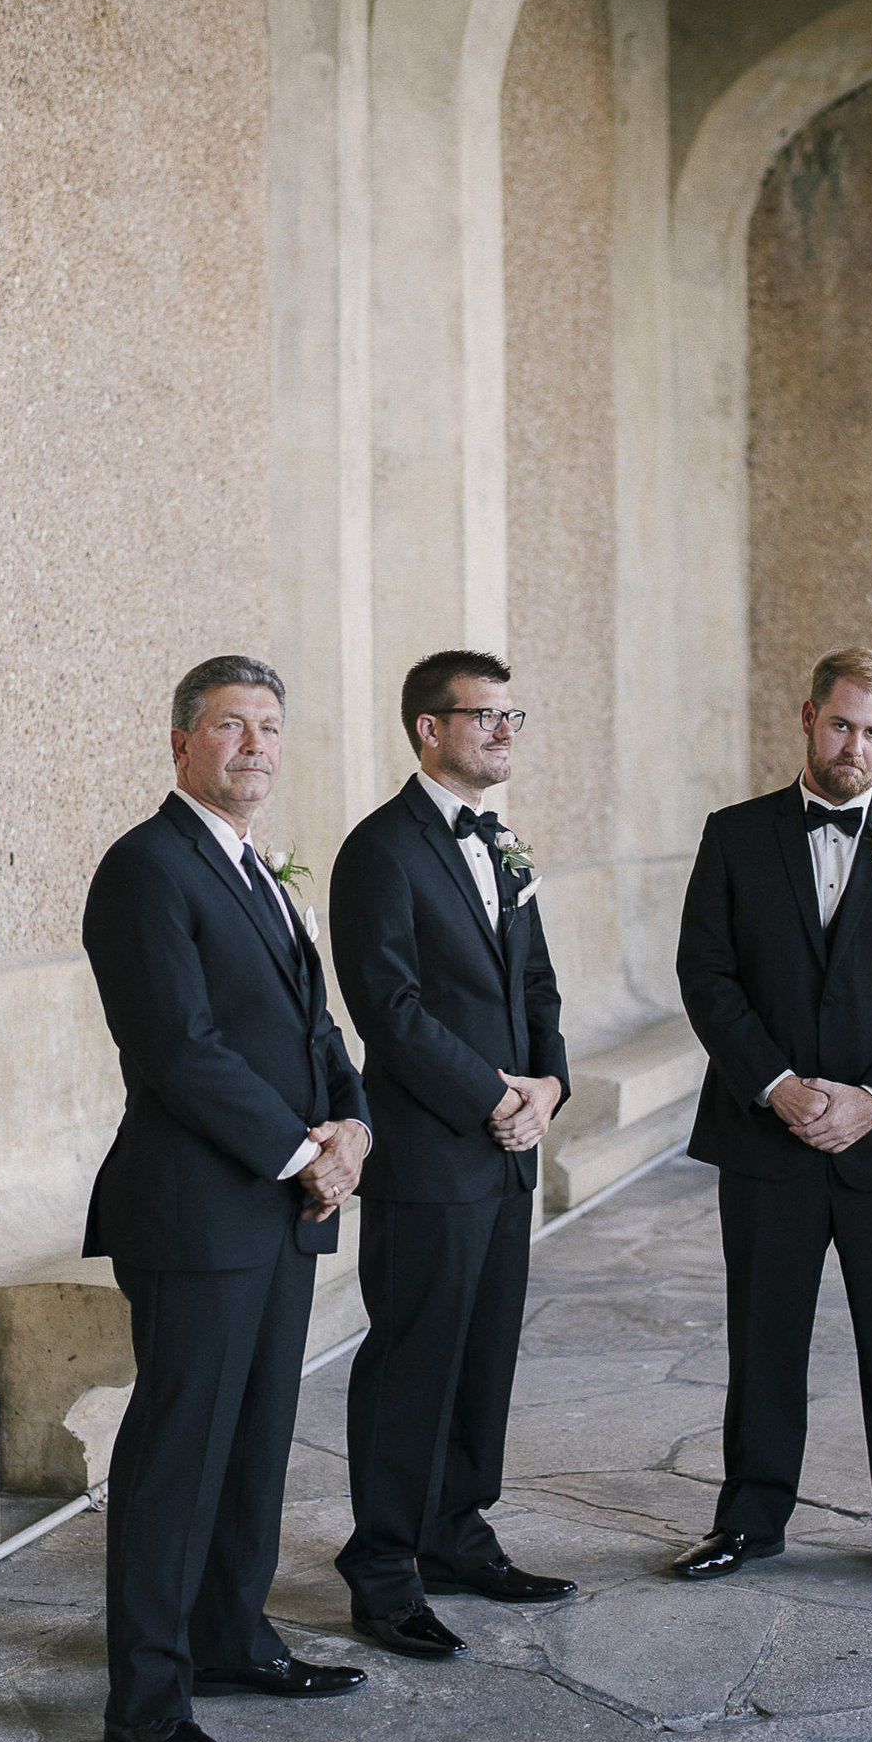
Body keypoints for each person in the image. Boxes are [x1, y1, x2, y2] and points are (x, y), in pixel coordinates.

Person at [80, 654, 371, 1742]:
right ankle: (145, 1700)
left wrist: (351, 1130)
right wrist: (305, 1151)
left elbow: (314, 1028)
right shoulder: (145, 869)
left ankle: (232, 1639)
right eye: (229, 727)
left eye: (267, 727)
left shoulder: (261, 874)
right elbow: (177, 1049)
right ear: (180, 744)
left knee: (252, 1445)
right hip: (195, 1212)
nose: (253, 745)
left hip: (280, 1204)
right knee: (176, 1454)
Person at [671, 646, 872, 1596]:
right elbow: (706, 973)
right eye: (840, 723)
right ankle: (750, 1519)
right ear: (806, 717)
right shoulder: (734, 835)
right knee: (763, 1336)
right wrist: (774, 1083)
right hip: (769, 1135)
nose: (854, 745)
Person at [325, 650, 575, 1662]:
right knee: (412, 1360)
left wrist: (548, 1086)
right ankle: (381, 1568)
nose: (504, 732)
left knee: (484, 1355)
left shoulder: (503, 843)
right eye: (485, 716)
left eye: (513, 714)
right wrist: (492, 1098)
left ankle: (455, 1531)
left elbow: (539, 984)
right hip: (432, 1153)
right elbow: (389, 1010)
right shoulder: (378, 850)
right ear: (428, 728)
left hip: (507, 1150)